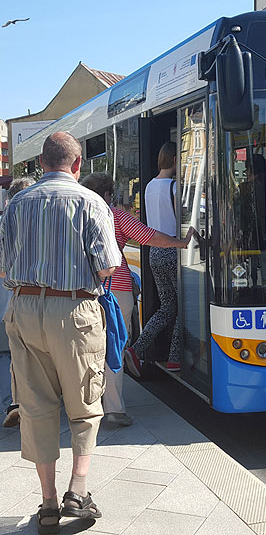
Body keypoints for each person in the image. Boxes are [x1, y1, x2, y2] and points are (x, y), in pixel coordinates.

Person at [0, 132, 121, 533]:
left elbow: (3, 268)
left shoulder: (16, 203)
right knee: (85, 405)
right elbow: (107, 268)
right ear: (78, 164)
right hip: (73, 309)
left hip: (23, 307)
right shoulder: (90, 202)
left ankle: (48, 503)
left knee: (35, 407)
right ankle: (78, 492)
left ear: (41, 163)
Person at [81, 172, 196, 423]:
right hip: (115, 288)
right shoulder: (115, 215)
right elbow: (149, 237)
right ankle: (113, 409)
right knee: (113, 347)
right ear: (109, 194)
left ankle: (83, 405)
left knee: (85, 348)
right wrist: (181, 242)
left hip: (81, 290)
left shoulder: (76, 215)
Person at [126, 142, 186, 374]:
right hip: (172, 248)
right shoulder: (173, 186)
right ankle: (174, 358)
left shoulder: (149, 186)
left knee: (167, 307)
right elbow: (181, 220)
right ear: (174, 160)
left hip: (154, 252)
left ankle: (136, 348)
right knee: (183, 307)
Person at [1, 177, 36, 428]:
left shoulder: (7, 222)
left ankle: (17, 402)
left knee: (15, 356)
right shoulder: (42, 223)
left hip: (14, 301)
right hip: (40, 302)